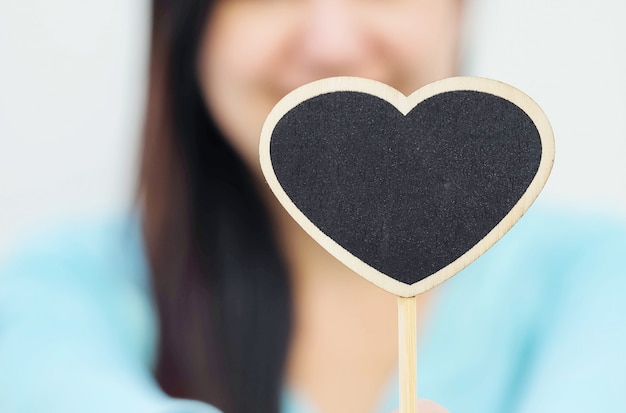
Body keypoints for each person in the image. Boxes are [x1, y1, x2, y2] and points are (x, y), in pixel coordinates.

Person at [1, 0, 625, 412]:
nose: (330, 44)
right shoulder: (58, 290)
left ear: (459, 12)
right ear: (185, 24)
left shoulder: (602, 278)